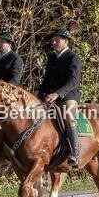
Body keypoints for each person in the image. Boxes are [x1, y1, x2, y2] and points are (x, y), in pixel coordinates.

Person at [38, 27, 83, 166]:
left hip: (68, 96)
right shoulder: (51, 58)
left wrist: (57, 94)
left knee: (69, 117)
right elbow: (46, 80)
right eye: (53, 40)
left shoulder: (73, 58)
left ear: (65, 41)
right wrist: (37, 93)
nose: (54, 42)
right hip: (49, 96)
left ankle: (74, 154)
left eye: (57, 40)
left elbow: (73, 81)